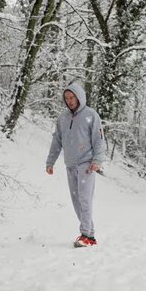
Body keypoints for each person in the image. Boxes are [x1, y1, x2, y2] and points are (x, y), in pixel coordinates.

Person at [46, 83, 105, 247]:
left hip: (86, 164)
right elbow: (56, 141)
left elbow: (99, 140)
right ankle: (90, 235)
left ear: (79, 97)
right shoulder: (63, 118)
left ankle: (86, 234)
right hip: (70, 164)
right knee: (76, 200)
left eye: (72, 97)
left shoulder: (91, 115)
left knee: (85, 199)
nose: (70, 101)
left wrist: (97, 160)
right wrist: (50, 162)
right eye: (67, 98)